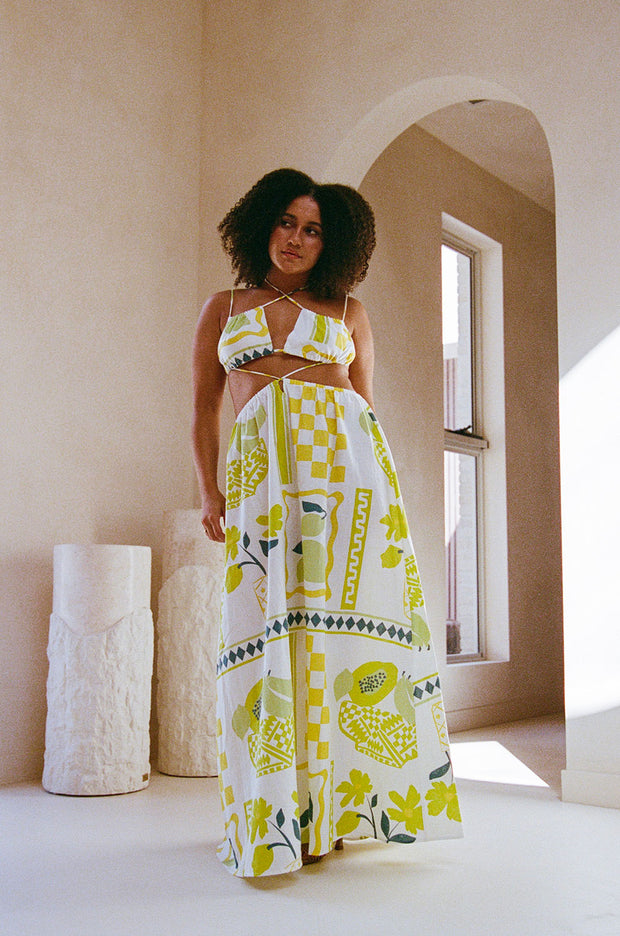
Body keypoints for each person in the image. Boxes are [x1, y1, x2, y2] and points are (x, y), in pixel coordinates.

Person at [192, 168, 462, 877]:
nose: (296, 238)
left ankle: (333, 813)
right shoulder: (224, 307)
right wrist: (211, 493)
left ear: (330, 242)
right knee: (262, 633)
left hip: (345, 480)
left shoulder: (348, 311)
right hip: (262, 482)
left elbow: (364, 408)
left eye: (312, 230)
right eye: (286, 222)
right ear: (262, 225)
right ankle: (274, 816)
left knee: (337, 638)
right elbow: (203, 410)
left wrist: (381, 505)